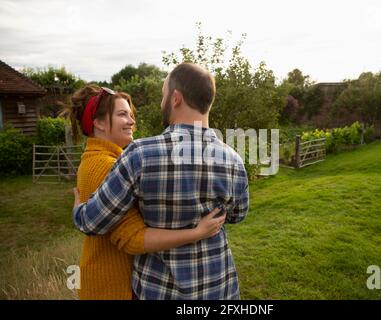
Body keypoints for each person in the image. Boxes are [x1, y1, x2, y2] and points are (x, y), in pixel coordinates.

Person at [73, 63, 249, 300]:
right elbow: (238, 215)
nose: (161, 102)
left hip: (159, 290)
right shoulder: (234, 160)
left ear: (175, 98)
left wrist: (78, 210)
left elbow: (92, 223)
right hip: (218, 288)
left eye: (163, 94)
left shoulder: (139, 154)